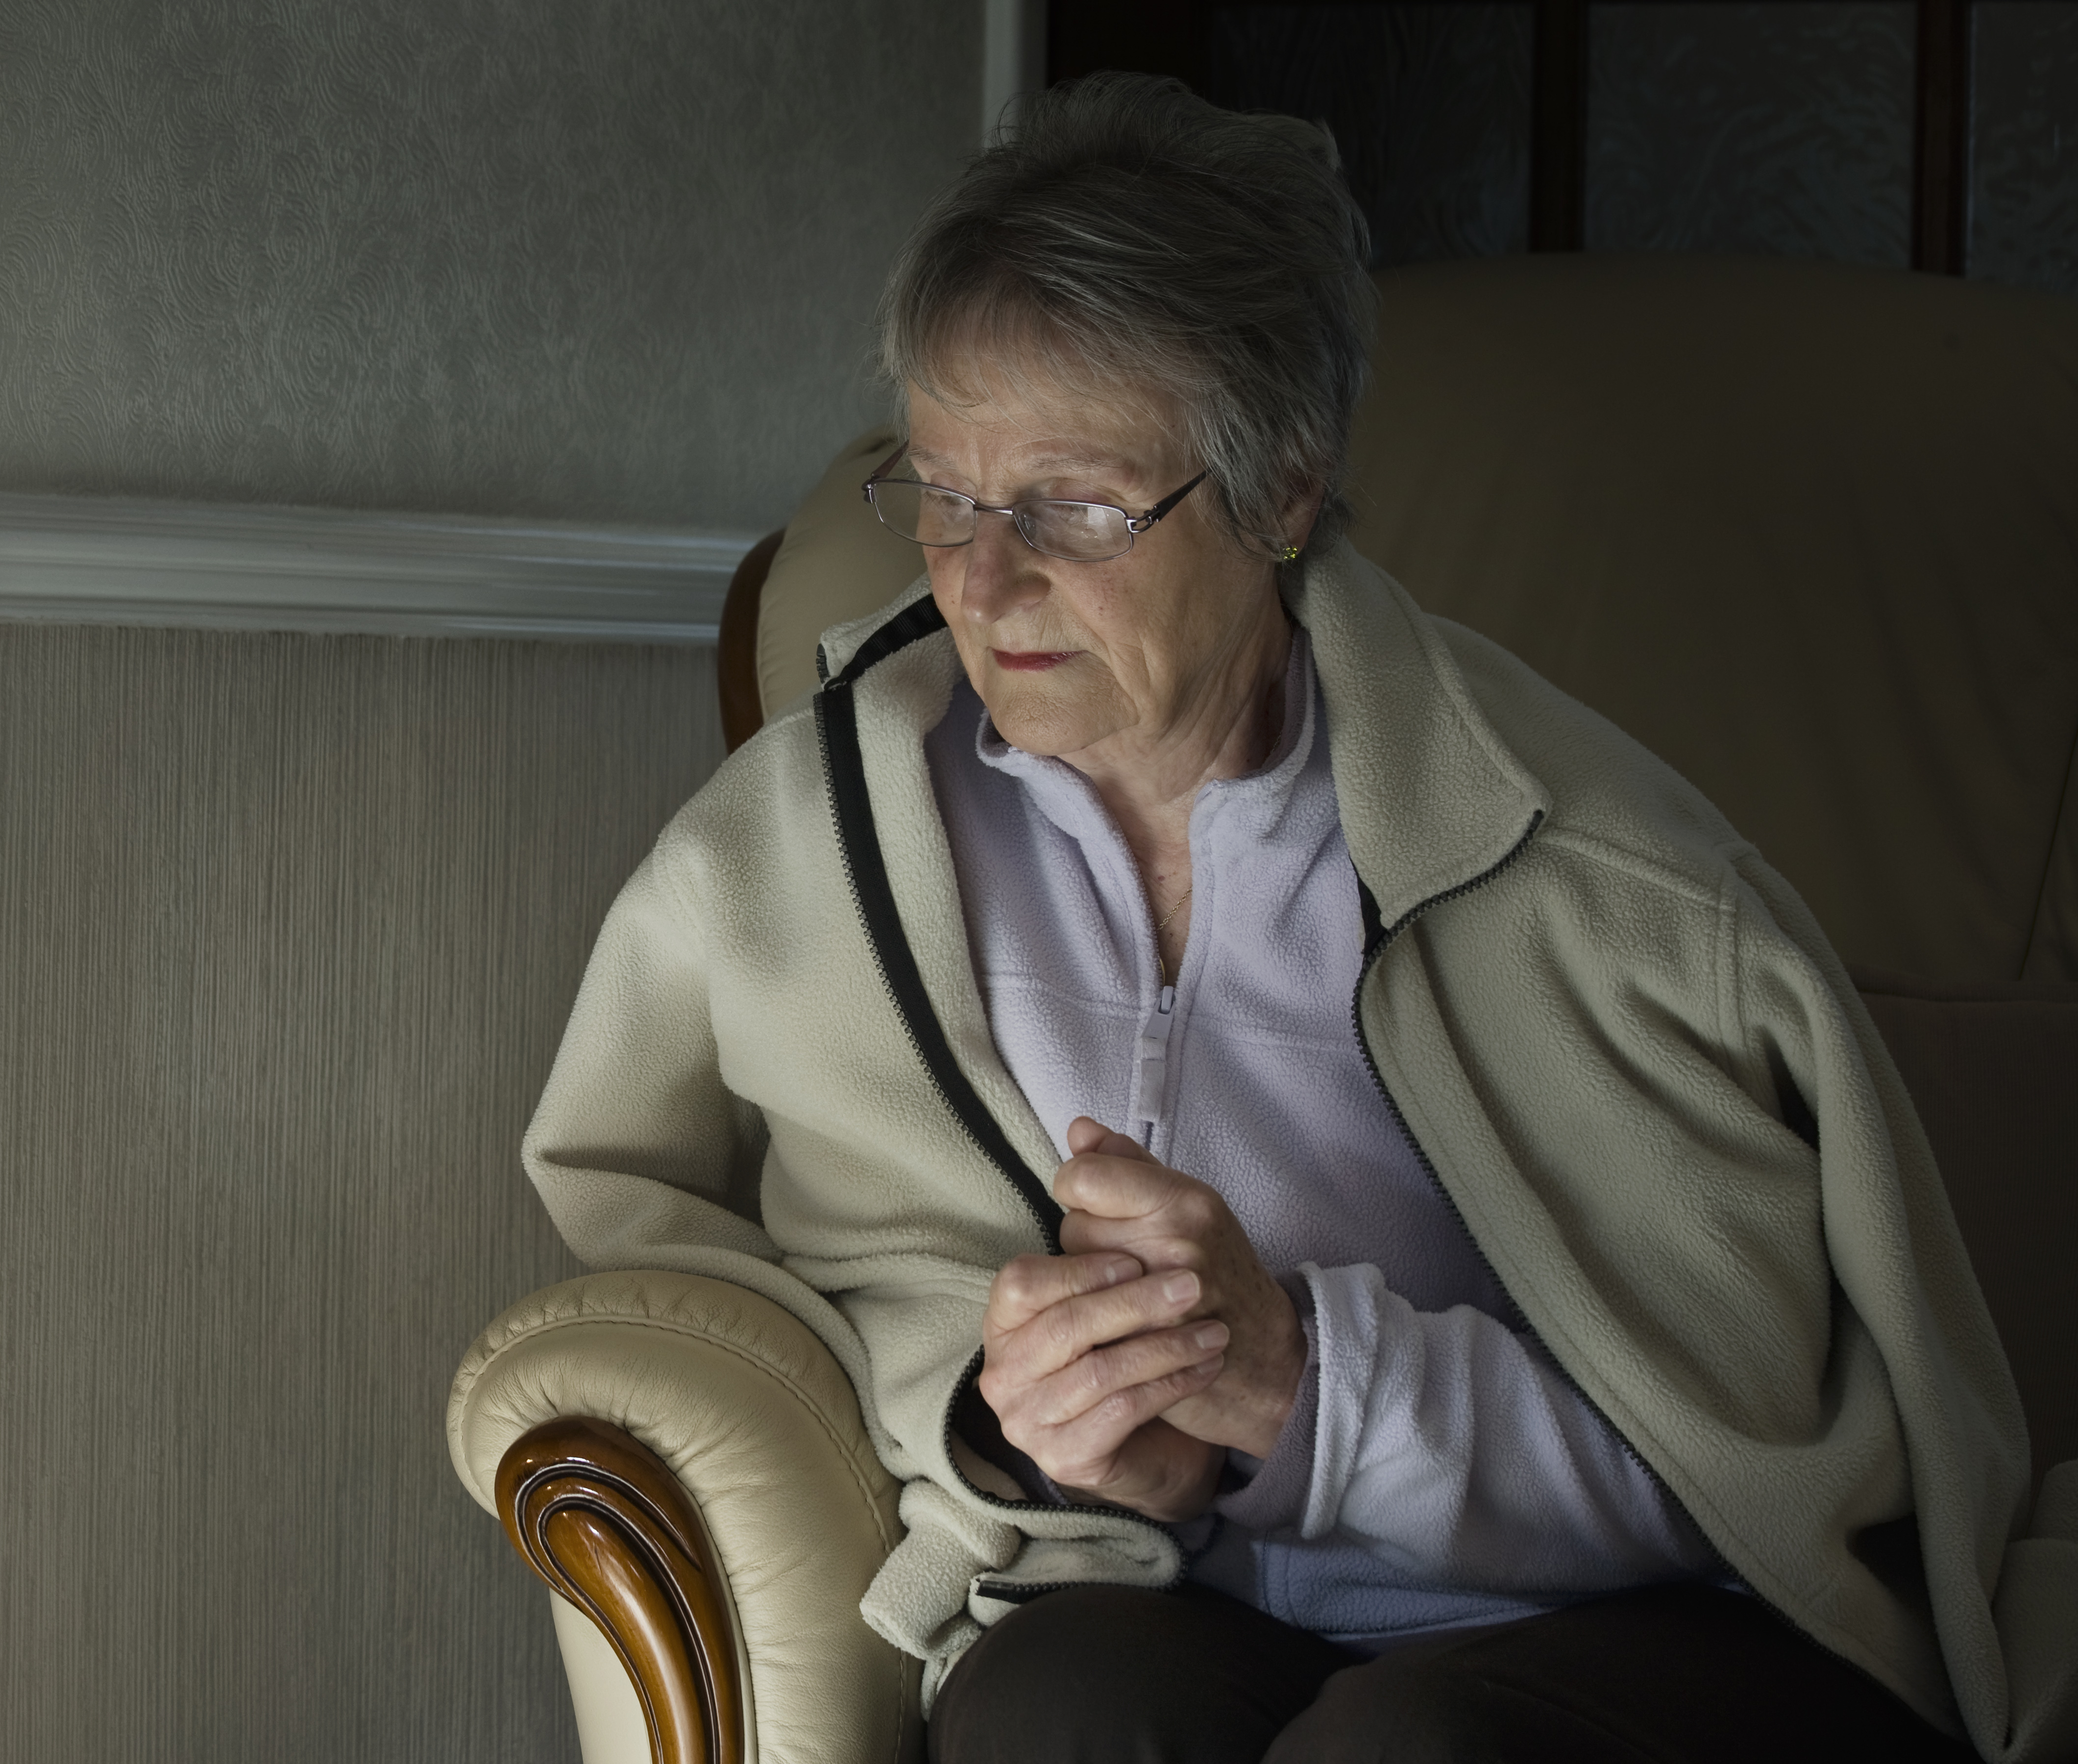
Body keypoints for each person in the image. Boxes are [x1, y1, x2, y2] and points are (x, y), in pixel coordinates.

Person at [522, 74, 2054, 1763]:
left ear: (1284, 493)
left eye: (1075, 508)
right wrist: (1029, 1431)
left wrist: (1299, 1393)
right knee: (1053, 1713)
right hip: (1177, 1599)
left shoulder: (1602, 885)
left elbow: (1761, 1471)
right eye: (943, 492)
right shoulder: (801, 849)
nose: (981, 578)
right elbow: (676, 1236)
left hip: (1628, 1631)